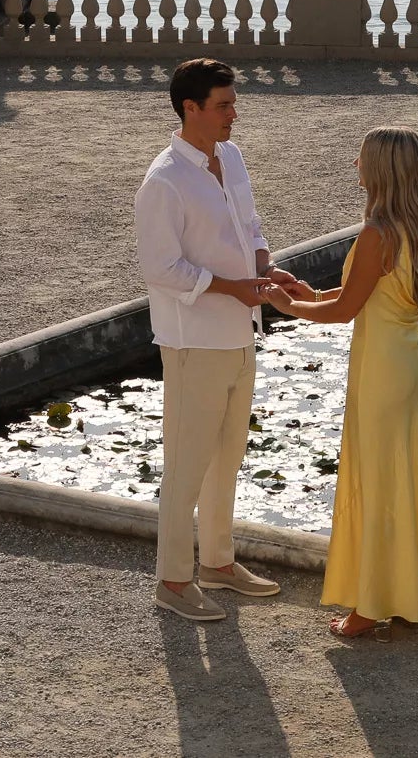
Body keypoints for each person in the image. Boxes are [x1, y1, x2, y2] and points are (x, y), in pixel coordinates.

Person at [264, 127, 418, 638]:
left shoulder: (376, 234)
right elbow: (362, 295)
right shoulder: (416, 227)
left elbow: (347, 310)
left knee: (376, 481)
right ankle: (414, 594)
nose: (355, 165)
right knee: (403, 476)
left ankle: (369, 608)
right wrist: (307, 292)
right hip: (408, 361)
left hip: (381, 370)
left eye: (363, 158)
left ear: (381, 171)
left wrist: (285, 307)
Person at [134, 57, 299, 622]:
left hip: (240, 332)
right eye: (224, 104)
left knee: (228, 455)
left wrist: (264, 269)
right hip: (192, 342)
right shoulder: (163, 182)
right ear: (191, 109)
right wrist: (233, 287)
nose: (234, 113)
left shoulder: (230, 157)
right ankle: (173, 581)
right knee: (186, 465)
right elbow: (161, 269)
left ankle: (219, 563)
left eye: (233, 102)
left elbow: (250, 227)